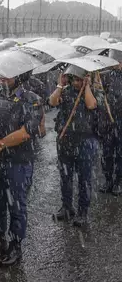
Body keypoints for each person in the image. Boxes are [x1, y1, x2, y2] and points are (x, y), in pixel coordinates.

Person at [0, 72, 43, 266]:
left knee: (16, 204)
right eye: (1, 75)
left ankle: (16, 244)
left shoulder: (32, 100)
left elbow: (26, 132)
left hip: (19, 161)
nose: (2, 78)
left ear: (20, 76)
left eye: (8, 75)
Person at [49, 65, 103, 227]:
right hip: (65, 140)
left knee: (84, 179)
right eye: (74, 79)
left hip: (85, 141)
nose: (76, 82)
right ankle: (66, 208)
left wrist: (86, 87)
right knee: (65, 177)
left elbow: (91, 105)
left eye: (80, 79)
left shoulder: (96, 92)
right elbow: (52, 102)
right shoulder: (65, 92)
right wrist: (60, 85)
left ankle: (83, 212)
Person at [100, 48, 122, 195]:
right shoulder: (105, 76)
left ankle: (118, 182)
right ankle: (108, 180)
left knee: (120, 154)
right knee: (106, 153)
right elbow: (100, 94)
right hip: (108, 121)